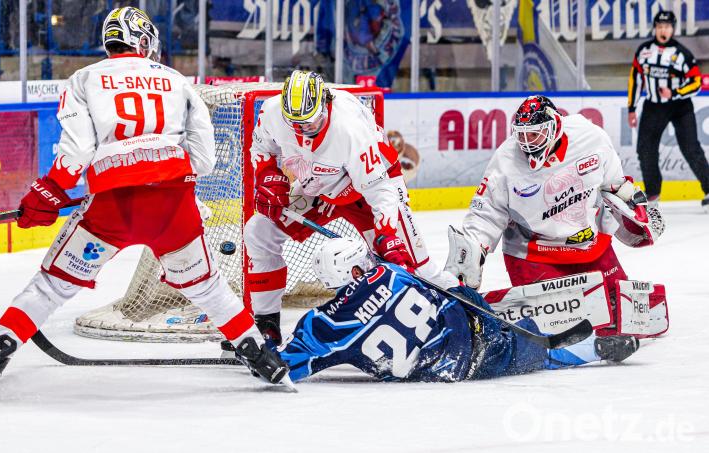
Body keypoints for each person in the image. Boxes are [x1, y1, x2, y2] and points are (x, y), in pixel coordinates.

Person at [0, 6, 287, 390]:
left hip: (112, 207)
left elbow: (77, 152)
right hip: (173, 207)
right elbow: (204, 160)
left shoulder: (83, 79)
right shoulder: (176, 80)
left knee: (51, 287)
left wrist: (49, 191)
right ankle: (260, 355)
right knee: (209, 288)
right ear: (145, 41)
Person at [244, 70, 447, 346]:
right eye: (296, 124)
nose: (303, 130)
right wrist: (267, 174)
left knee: (416, 266)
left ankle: (461, 308)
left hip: (369, 188)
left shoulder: (348, 128)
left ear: (325, 104)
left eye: (310, 122)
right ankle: (265, 325)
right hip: (320, 188)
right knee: (259, 230)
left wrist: (387, 232)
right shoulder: (272, 113)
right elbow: (261, 147)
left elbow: (379, 188)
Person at [444, 95, 664, 335]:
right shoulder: (506, 159)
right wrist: (473, 250)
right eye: (521, 134)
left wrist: (634, 209)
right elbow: (486, 212)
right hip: (535, 256)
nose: (526, 142)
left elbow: (613, 184)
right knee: (556, 329)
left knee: (627, 316)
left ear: (554, 127)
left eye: (534, 134)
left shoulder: (590, 137)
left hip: (591, 247)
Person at [276, 237, 639, 383]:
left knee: (525, 346)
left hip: (442, 371)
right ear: (357, 268)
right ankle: (596, 347)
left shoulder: (319, 325)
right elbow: (436, 286)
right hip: (471, 342)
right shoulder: (390, 271)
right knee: (533, 348)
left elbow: (282, 367)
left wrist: (258, 353)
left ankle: (584, 346)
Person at [627, 10, 708, 211]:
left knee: (691, 148)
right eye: (660, 27)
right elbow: (635, 80)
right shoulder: (643, 51)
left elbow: (696, 82)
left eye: (667, 27)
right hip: (653, 106)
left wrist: (675, 92)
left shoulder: (682, 54)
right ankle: (652, 193)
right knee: (645, 148)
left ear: (673, 29)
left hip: (680, 107)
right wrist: (632, 108)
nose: (663, 30)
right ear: (655, 28)